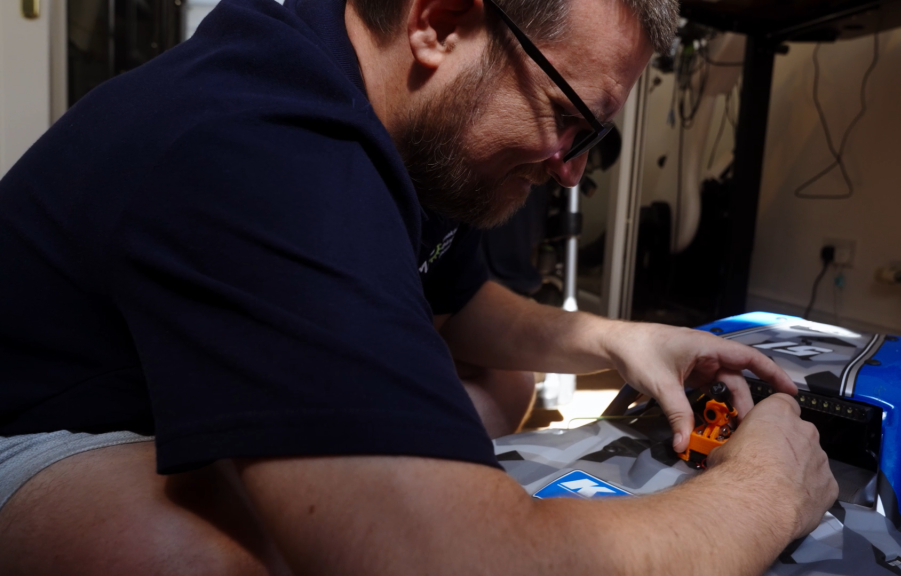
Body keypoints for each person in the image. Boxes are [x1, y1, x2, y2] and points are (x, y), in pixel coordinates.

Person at [0, 0, 838, 574]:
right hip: (43, 420)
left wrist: (615, 339)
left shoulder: (398, 123)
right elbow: (444, 564)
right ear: (440, 21)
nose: (571, 171)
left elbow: (462, 303)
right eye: (569, 120)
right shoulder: (267, 142)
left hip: (171, 375)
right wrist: (762, 493)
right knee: (203, 560)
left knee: (499, 381)